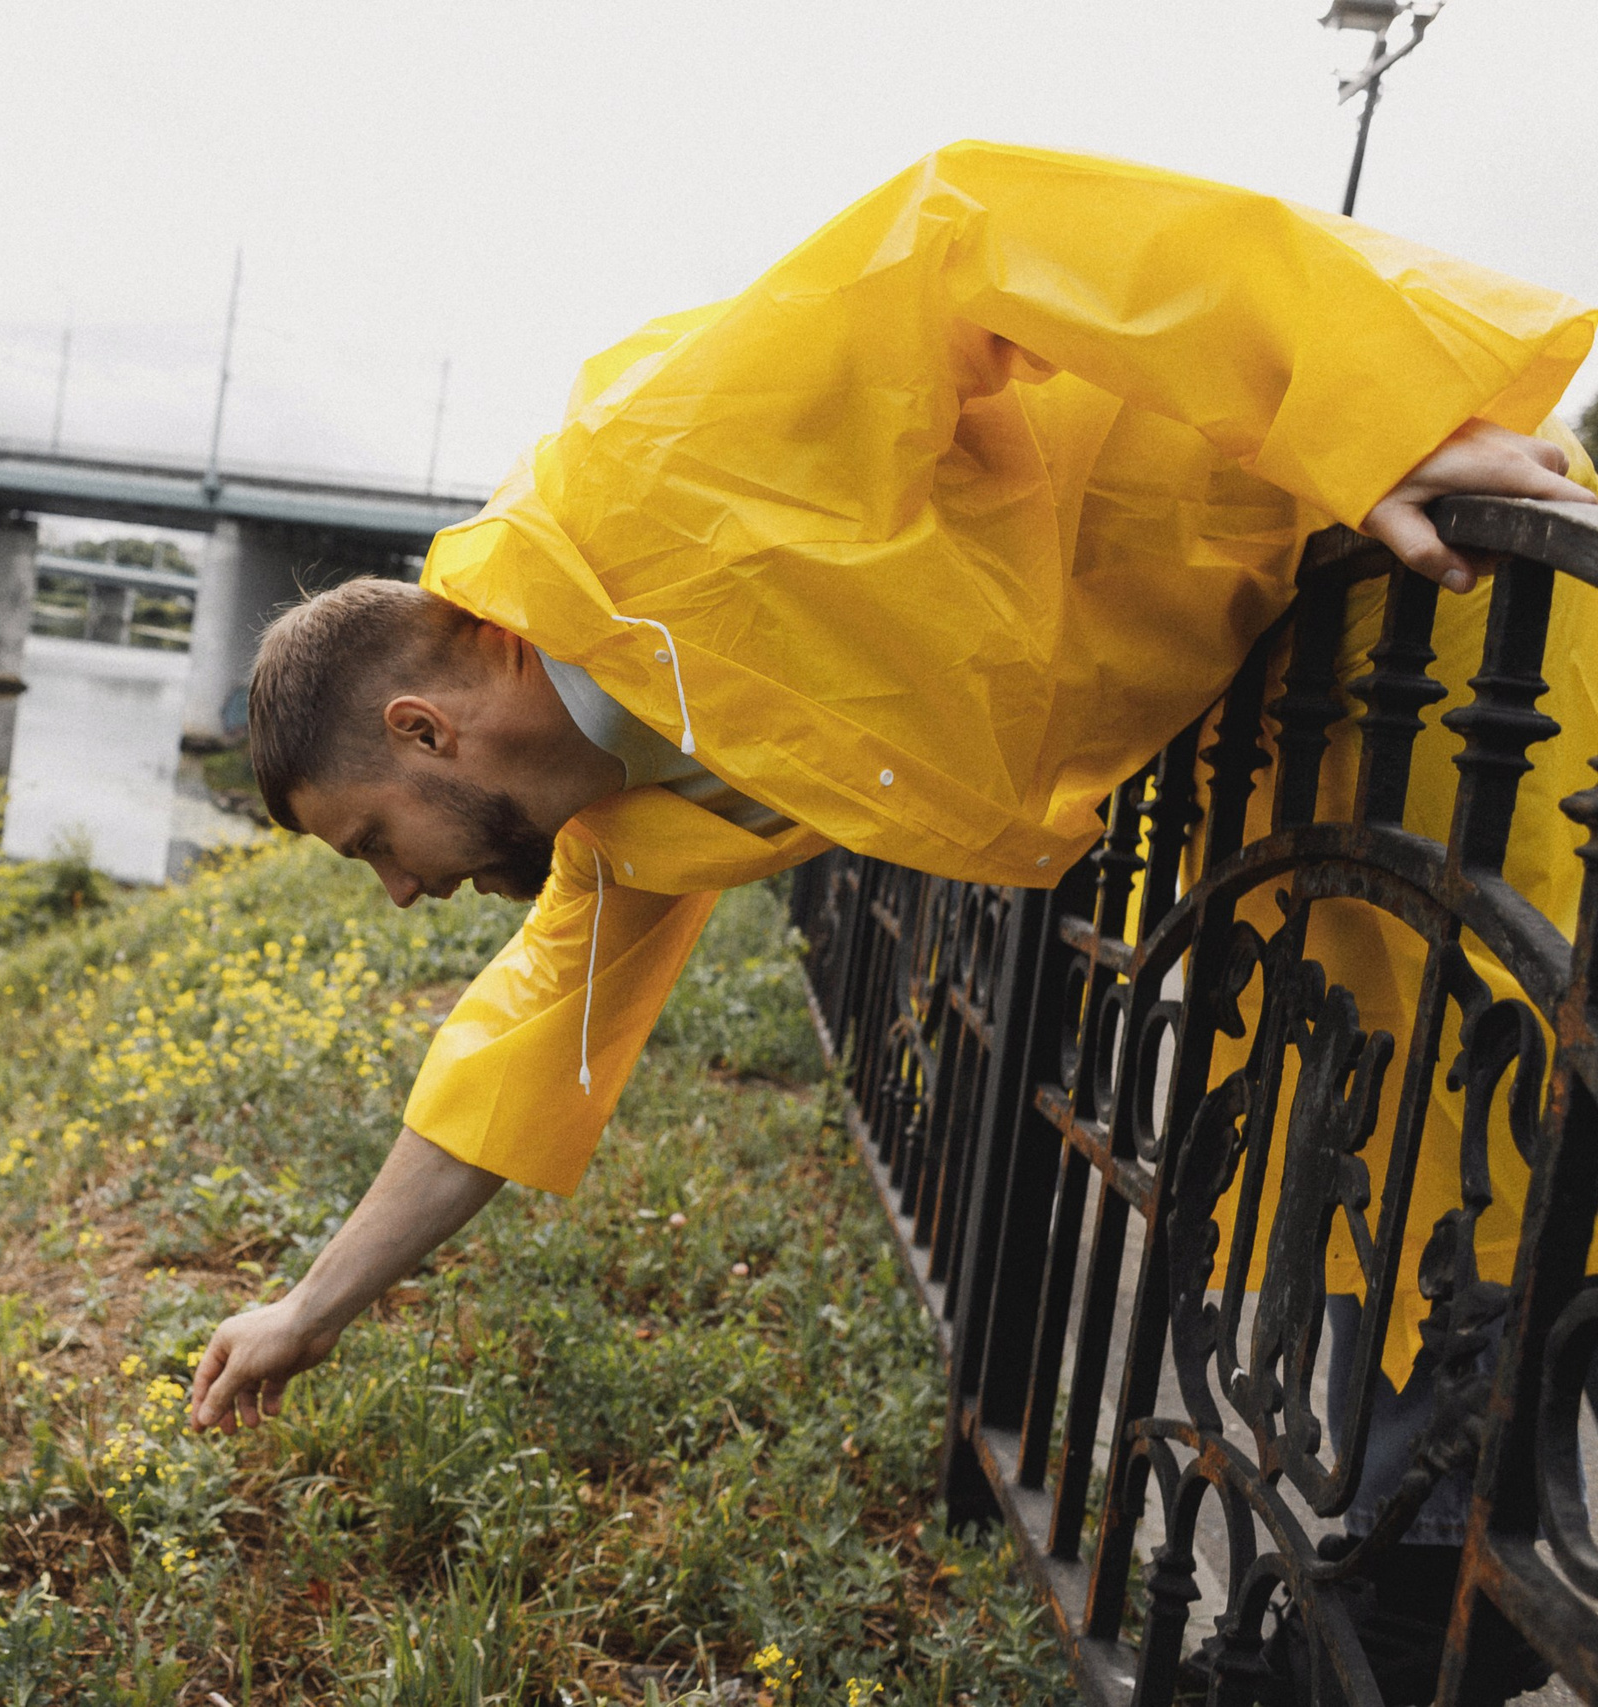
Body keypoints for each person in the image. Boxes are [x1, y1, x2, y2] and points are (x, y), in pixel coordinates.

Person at [181, 139, 1597, 1700]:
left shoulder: (651, 466)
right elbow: (508, 1065)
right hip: (1260, 683)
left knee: (1479, 1107)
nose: (401, 893)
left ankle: (1419, 1613)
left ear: (426, 728)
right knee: (1335, 1144)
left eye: (375, 842)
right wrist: (306, 1311)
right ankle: (1391, 1592)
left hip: (1414, 590)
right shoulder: (625, 815)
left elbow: (974, 227)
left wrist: (1371, 424)